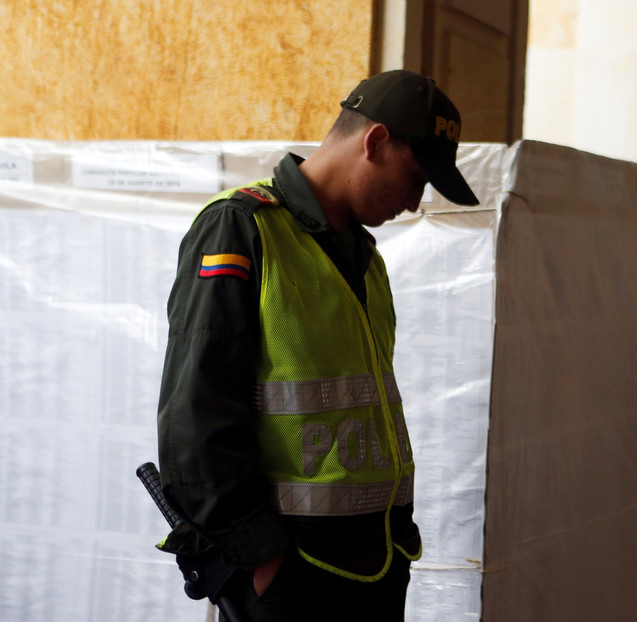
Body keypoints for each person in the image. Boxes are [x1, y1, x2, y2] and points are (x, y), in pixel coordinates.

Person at [156, 70, 479, 621]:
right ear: (374, 142)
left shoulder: (368, 260)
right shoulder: (241, 228)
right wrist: (260, 561)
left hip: (377, 565)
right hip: (293, 577)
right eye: (415, 177)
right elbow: (196, 418)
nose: (414, 200)